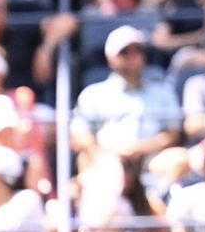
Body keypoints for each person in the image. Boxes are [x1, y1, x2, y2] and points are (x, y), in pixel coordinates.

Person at [73, 25, 181, 163]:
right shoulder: (91, 95)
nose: (132, 57)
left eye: (137, 51)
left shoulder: (163, 92)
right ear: (110, 59)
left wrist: (142, 148)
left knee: (177, 159)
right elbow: (79, 135)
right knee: (86, 160)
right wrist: (107, 153)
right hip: (107, 161)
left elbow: (173, 134)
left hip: (153, 160)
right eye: (124, 52)